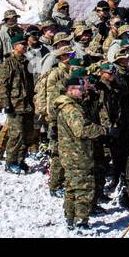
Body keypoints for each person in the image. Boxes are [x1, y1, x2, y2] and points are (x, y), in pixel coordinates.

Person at [55, 74, 109, 229]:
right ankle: (81, 221)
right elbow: (81, 130)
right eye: (79, 89)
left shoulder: (72, 105)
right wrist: (103, 130)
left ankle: (71, 218)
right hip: (77, 155)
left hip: (72, 154)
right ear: (70, 90)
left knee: (73, 187)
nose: (82, 92)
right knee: (84, 188)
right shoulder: (71, 109)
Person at [0, 30, 34, 173]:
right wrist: (6, 104)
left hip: (28, 105)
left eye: (25, 44)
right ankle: (10, 162)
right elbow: (2, 86)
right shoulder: (8, 64)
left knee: (27, 135)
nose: (24, 46)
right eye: (21, 44)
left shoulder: (27, 62)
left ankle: (20, 160)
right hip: (15, 106)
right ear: (14, 46)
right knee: (16, 135)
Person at [0, 9, 21, 130]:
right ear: (6, 20)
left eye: (15, 18)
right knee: (2, 93)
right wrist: (0, 68)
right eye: (11, 19)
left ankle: (11, 117)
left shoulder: (20, 33)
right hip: (5, 69)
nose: (14, 21)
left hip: (18, 69)